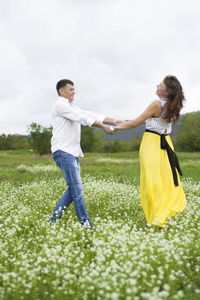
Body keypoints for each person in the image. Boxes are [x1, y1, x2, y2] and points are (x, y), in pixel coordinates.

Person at [115, 75, 186, 227]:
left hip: (152, 144)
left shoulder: (156, 104)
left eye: (160, 84)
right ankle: (166, 211)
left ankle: (157, 215)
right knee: (164, 179)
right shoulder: (173, 104)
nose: (157, 85)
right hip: (166, 142)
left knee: (152, 180)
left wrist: (115, 127)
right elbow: (135, 122)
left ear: (167, 91)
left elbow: (135, 123)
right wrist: (121, 123)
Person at [50, 79, 117, 228]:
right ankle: (86, 226)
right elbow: (82, 118)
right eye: (71, 89)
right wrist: (102, 127)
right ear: (62, 91)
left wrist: (115, 121)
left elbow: (89, 114)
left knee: (73, 188)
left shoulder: (71, 106)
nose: (74, 92)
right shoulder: (60, 105)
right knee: (77, 189)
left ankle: (54, 221)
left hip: (71, 152)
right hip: (63, 151)